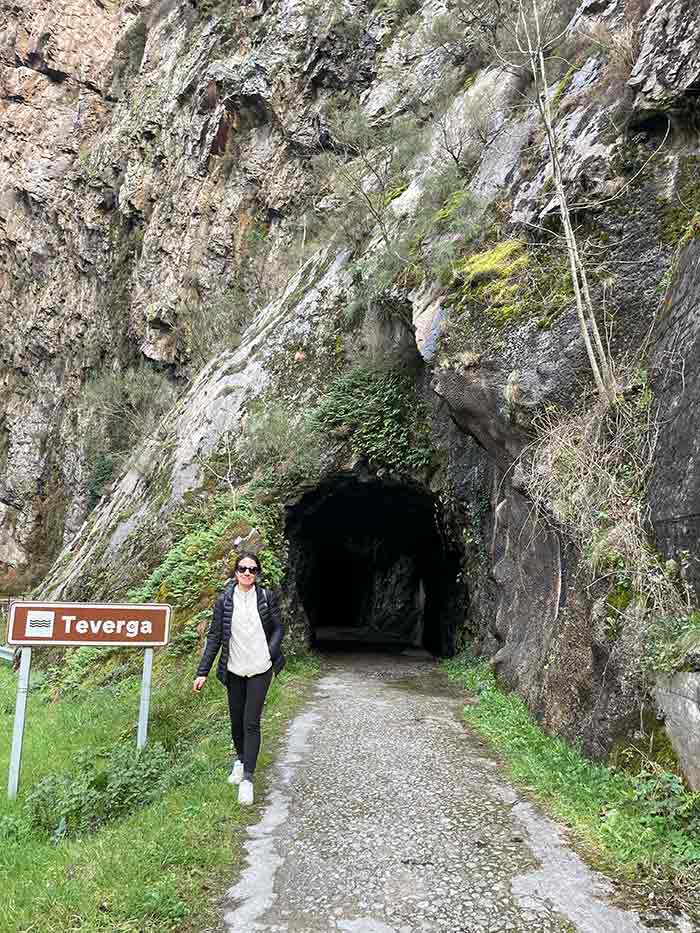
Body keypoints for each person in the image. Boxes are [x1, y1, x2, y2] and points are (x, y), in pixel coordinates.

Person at [193, 552, 284, 805]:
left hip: (260, 668)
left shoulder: (265, 597)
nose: (247, 573)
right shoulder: (224, 601)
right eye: (243, 568)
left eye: (252, 569)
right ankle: (241, 760)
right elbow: (214, 637)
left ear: (257, 573)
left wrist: (270, 653)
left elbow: (278, 627)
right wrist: (202, 672)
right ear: (235, 572)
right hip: (234, 668)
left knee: (251, 722)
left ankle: (247, 779)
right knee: (236, 721)